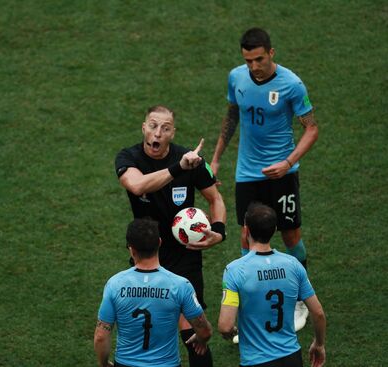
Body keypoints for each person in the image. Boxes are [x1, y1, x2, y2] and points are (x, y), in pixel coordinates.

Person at [210, 27, 319, 331]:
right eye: (248, 61)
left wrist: (288, 163)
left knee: (290, 236)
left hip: (282, 174)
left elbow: (311, 128)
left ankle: (298, 297)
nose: (254, 66)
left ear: (271, 53)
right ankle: (253, 298)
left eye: (259, 59)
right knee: (247, 236)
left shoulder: (292, 84)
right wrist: (216, 159)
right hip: (247, 173)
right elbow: (232, 115)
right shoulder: (237, 77)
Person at [115, 105, 226, 366]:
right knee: (148, 328)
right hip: (147, 253)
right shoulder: (128, 157)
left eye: (165, 128)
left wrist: (219, 231)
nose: (158, 133)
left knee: (194, 335)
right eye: (153, 125)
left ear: (172, 133)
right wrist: (179, 167)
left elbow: (216, 198)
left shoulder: (191, 160)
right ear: (144, 128)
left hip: (185, 256)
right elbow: (137, 185)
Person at [94, 218, 213, 367]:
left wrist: (104, 364)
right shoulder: (180, 285)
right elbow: (204, 330)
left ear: (131, 249)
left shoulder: (115, 284)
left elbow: (101, 336)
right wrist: (201, 338)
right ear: (160, 243)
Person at [218, 203, 326, 367]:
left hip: (255, 361)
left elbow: (225, 326)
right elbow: (318, 312)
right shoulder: (294, 265)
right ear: (275, 229)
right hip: (292, 358)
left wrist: (231, 331)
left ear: (246, 230)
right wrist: (319, 344)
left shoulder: (234, 271)